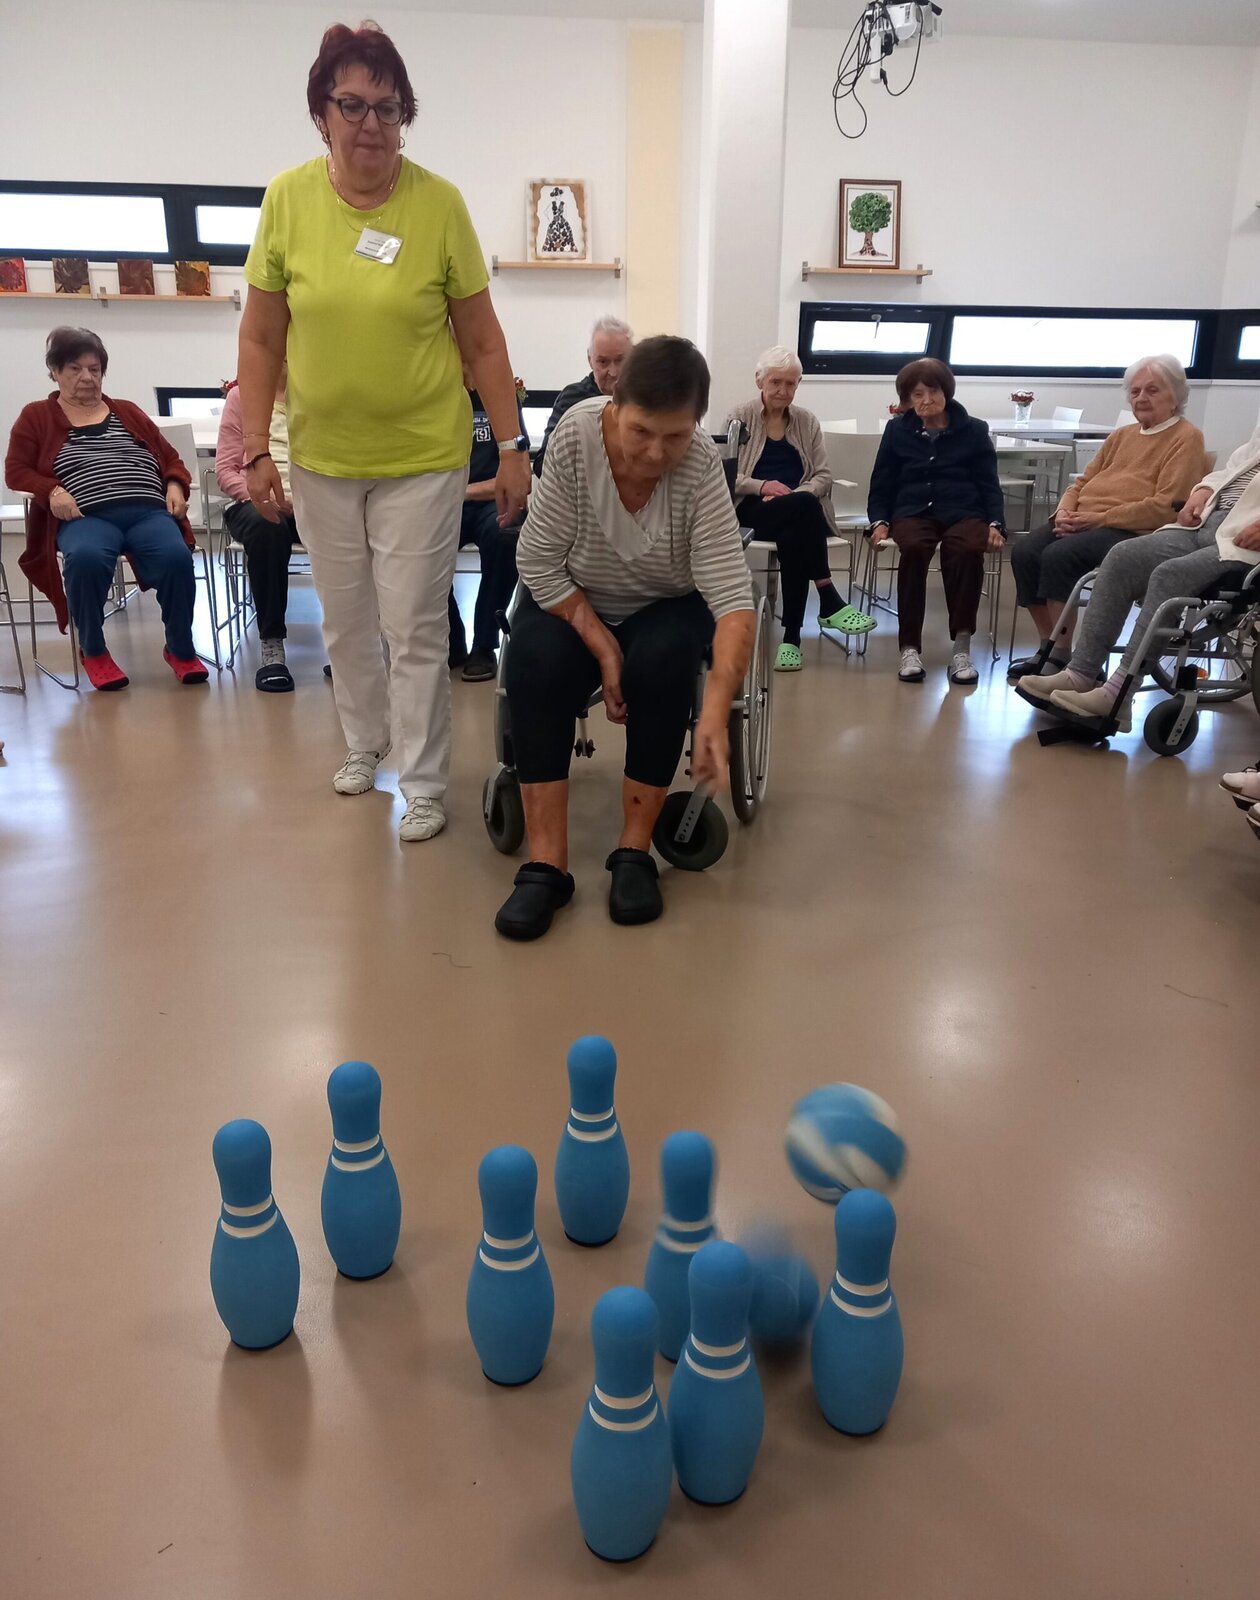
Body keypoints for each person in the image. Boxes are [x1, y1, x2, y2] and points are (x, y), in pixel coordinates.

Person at [236, 20, 530, 843]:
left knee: (415, 625)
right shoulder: (287, 199)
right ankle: (365, 743)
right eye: (352, 105)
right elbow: (260, 337)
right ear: (321, 114)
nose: (371, 124)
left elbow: (483, 342)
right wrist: (255, 446)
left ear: (406, 116)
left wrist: (513, 449)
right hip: (323, 457)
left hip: (422, 458)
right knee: (346, 619)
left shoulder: (438, 204)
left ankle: (424, 780)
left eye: (388, 108)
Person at [496, 336, 755, 942]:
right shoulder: (576, 437)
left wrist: (715, 710)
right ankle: (546, 865)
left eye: (676, 436)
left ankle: (634, 851)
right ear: (614, 404)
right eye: (642, 431)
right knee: (533, 659)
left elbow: (733, 600)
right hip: (571, 593)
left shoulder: (699, 467)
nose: (657, 453)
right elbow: (537, 561)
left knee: (665, 661)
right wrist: (604, 647)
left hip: (665, 602)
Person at [1017, 420, 1260, 726]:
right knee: (1122, 556)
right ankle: (1081, 672)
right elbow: (1232, 468)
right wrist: (1202, 491)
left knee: (1169, 574)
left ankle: (1119, 694)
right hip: (1207, 523)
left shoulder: (1186, 436)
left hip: (1243, 542)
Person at [5, 326, 207, 690]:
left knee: (176, 558)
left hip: (148, 513)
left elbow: (170, 458)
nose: (87, 377)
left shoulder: (127, 411)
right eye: (75, 369)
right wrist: (52, 490)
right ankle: (94, 650)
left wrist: (175, 484)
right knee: (85, 559)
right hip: (86, 516)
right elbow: (16, 471)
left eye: (94, 369)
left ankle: (180, 648)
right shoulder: (37, 416)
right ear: (55, 371)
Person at [1008, 356, 1206, 676]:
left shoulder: (1187, 437)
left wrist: (1099, 519)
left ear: (1176, 396)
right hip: (1085, 518)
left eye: (1153, 390)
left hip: (1132, 528)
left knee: (1059, 555)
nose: (1141, 398)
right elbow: (1081, 482)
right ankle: (1048, 645)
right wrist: (1064, 511)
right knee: (1025, 552)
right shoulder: (1122, 435)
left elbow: (1165, 505)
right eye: (1135, 391)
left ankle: (1063, 654)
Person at [730, 346, 875, 671]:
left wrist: (793, 496)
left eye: (791, 383)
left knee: (794, 533)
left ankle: (791, 641)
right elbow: (727, 475)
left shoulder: (807, 421)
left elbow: (823, 475)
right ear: (760, 381)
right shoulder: (740, 417)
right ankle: (827, 596)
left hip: (799, 511)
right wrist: (763, 486)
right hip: (754, 510)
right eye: (776, 382)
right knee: (805, 509)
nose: (783, 390)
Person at [866, 357, 1006, 684]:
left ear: (947, 392)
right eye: (917, 394)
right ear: (907, 400)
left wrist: (995, 523)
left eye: (933, 391)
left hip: (963, 509)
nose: (926, 400)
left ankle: (962, 649)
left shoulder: (974, 430)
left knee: (966, 549)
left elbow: (989, 483)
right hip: (913, 510)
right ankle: (909, 648)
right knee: (914, 548)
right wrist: (880, 521)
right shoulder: (897, 430)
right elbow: (881, 483)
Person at [216, 369, 308, 691]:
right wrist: (262, 496)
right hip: (254, 501)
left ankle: (350, 646)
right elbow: (225, 470)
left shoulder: (316, 391)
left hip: (312, 502)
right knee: (267, 528)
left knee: (351, 527)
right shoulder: (241, 397)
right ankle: (272, 646)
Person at [447, 363, 529, 682]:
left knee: (504, 535)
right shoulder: (436, 395)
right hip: (442, 500)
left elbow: (520, 474)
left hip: (489, 500)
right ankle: (450, 640)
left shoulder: (503, 397)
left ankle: (484, 643)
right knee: (417, 539)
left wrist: (464, 492)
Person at [533, 315, 633, 477]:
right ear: (590, 360)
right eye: (603, 362)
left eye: (620, 360)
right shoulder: (571, 399)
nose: (613, 372)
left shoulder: (644, 398)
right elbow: (542, 463)